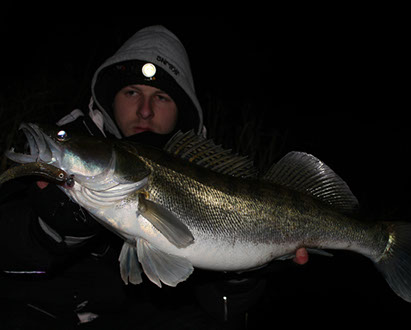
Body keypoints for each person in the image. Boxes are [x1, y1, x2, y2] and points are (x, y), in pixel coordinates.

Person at [0, 25, 308, 328]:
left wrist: (243, 273)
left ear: (181, 110)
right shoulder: (69, 156)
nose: (145, 110)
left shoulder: (205, 168)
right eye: (132, 92)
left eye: (161, 97)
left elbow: (223, 311)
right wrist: (45, 230)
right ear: (110, 99)